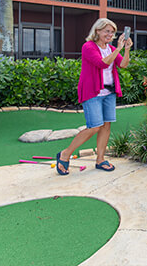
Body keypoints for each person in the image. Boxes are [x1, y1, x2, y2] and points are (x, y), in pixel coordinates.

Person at [56, 18, 132, 175]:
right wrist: (117, 49)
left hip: (109, 93)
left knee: (106, 126)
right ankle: (65, 153)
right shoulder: (88, 47)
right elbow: (102, 63)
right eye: (107, 31)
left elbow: (123, 64)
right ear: (97, 31)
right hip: (93, 92)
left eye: (112, 32)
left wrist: (126, 49)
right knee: (94, 126)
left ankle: (100, 160)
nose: (110, 34)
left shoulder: (110, 48)